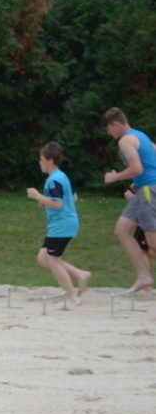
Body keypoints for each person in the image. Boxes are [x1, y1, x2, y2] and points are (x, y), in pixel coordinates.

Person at [26, 141, 90, 306]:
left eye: (41, 159)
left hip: (62, 225)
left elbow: (58, 204)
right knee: (43, 257)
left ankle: (72, 296)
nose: (39, 162)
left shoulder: (54, 180)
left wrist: (37, 196)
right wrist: (46, 201)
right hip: (60, 224)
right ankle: (80, 274)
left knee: (53, 260)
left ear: (50, 160)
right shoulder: (61, 177)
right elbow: (72, 198)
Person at [102, 107, 156, 292]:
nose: (110, 134)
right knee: (122, 230)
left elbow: (137, 168)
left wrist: (114, 177)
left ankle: (144, 277)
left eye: (109, 129)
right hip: (145, 190)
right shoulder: (141, 136)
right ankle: (143, 276)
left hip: (149, 190)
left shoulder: (125, 141)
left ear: (115, 124)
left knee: (152, 242)